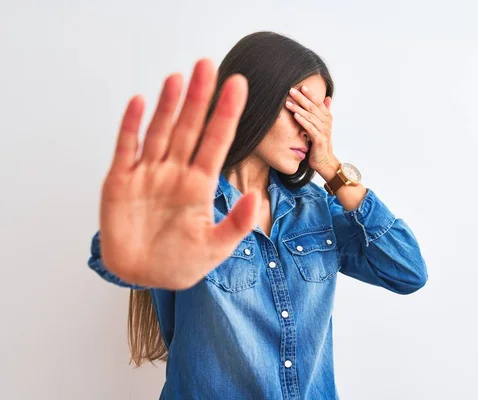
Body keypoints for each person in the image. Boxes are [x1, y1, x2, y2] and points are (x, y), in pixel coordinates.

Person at [87, 31, 428, 399]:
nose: (308, 128)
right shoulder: (187, 201)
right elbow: (114, 259)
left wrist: (331, 167)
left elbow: (408, 271)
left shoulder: (314, 209)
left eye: (317, 115)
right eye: (298, 107)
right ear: (252, 100)